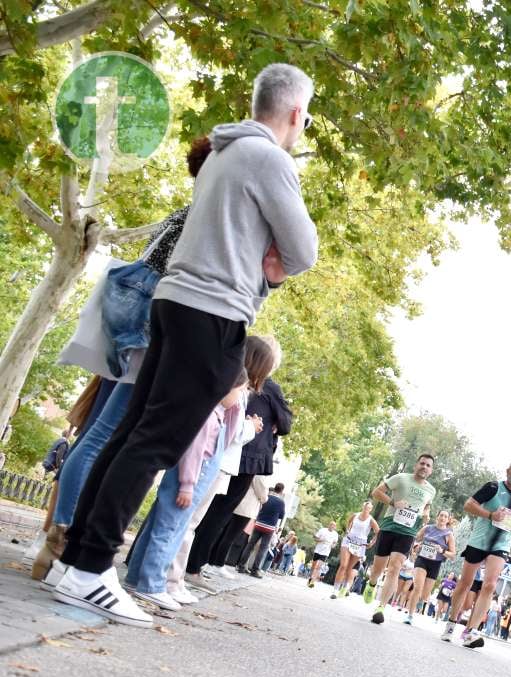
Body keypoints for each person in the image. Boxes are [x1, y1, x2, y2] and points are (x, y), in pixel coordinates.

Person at [53, 63, 318, 626]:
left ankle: (76, 558)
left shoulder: (222, 153)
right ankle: (91, 568)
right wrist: (271, 265)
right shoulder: (270, 159)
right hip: (214, 312)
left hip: (173, 303)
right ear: (297, 113)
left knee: (130, 432)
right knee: (154, 443)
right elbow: (304, 250)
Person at [33, 137, 217, 584]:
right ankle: (64, 544)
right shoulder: (203, 216)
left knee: (97, 434)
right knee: (105, 436)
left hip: (128, 325)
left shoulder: (182, 211)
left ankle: (55, 544)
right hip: (149, 331)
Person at [122, 371, 246, 609]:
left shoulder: (219, 414)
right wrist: (188, 485)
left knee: (161, 527)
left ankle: (136, 577)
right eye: (240, 391)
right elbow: (193, 454)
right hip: (187, 482)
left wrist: (236, 408)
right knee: (168, 530)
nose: (241, 398)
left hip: (189, 481)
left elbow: (228, 436)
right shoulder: (209, 418)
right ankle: (151, 583)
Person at [172, 336, 273, 598]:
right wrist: (252, 426)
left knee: (186, 521)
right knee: (187, 522)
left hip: (218, 464)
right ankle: (170, 579)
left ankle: (168, 577)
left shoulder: (237, 390)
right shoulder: (235, 390)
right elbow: (230, 433)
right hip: (214, 463)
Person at [439, 461, 511, 649]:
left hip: (501, 543)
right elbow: (468, 505)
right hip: (479, 541)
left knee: (489, 586)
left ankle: (471, 631)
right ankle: (451, 623)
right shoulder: (493, 487)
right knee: (465, 583)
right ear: (507, 471)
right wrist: (490, 515)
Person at [364, 454, 437, 617]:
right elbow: (377, 492)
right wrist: (393, 503)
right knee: (378, 568)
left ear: (431, 470)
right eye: (422, 463)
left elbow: (427, 507)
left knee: (395, 568)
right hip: (390, 526)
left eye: (428, 465)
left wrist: (426, 514)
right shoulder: (401, 478)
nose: (424, 467)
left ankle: (381, 607)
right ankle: (372, 583)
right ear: (416, 465)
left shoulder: (431, 490)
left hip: (408, 532)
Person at [394, 509, 456, 625]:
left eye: (445, 516)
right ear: (437, 517)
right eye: (441, 515)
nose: (442, 518)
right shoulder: (427, 528)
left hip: (435, 564)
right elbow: (415, 539)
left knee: (425, 594)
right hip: (422, 560)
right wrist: (416, 546)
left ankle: (421, 600)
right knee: (417, 587)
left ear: (447, 520)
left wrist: (442, 550)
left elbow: (453, 555)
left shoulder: (448, 535)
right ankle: (410, 615)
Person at [239, 483, 287, 577]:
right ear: (281, 490)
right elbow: (281, 515)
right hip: (269, 528)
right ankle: (254, 570)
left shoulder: (266, 497)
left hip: (258, 524)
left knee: (250, 545)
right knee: (263, 548)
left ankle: (241, 566)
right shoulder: (281, 502)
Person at [332, 502, 378, 597]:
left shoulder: (371, 520)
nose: (366, 509)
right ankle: (335, 590)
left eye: (368, 508)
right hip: (348, 540)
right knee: (343, 565)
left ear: (370, 509)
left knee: (349, 568)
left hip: (360, 544)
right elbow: (349, 522)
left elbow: (378, 532)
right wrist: (348, 530)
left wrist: (371, 543)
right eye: (365, 507)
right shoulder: (355, 515)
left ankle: (344, 587)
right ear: (362, 506)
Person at [309, 521, 338, 588]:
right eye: (331, 525)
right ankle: (310, 578)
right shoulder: (322, 530)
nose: (332, 527)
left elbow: (334, 543)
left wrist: (333, 545)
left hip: (325, 553)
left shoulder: (335, 534)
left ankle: (313, 581)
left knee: (318, 567)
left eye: (334, 526)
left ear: (335, 527)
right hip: (318, 550)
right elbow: (315, 538)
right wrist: (321, 540)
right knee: (313, 566)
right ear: (329, 525)